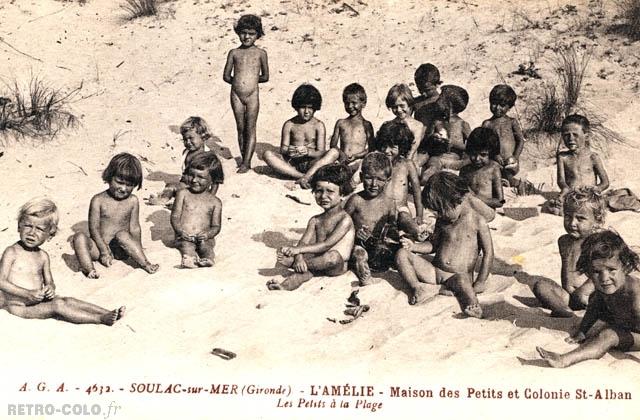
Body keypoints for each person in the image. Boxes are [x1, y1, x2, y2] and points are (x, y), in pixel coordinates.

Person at [0, 198, 125, 325]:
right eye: (27, 226)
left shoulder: (43, 256)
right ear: (19, 227)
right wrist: (27, 293)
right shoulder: (12, 252)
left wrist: (50, 289)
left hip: (37, 301)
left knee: (68, 301)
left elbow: (50, 282)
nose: (32, 233)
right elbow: (1, 281)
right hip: (18, 307)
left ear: (50, 234)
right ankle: (99, 319)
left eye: (39, 229)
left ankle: (106, 312)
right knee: (58, 305)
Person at [395, 172, 493, 318]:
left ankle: (472, 304)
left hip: (457, 276)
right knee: (401, 254)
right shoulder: (443, 220)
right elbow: (433, 245)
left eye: (442, 211)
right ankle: (417, 287)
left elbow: (488, 253)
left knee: (462, 280)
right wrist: (413, 247)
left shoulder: (477, 221)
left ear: (457, 200)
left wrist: (481, 281)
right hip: (434, 272)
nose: (440, 215)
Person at [537, 230, 640, 368]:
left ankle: (564, 359)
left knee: (608, 336)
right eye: (597, 272)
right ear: (588, 272)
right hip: (624, 324)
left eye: (611, 270)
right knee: (596, 301)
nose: (604, 278)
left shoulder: (634, 294)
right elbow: (594, 307)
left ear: (625, 267)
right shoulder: (604, 288)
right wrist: (582, 331)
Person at [267, 164, 355, 291]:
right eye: (319, 191)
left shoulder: (344, 219)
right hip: (317, 262)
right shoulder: (315, 220)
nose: (323, 196)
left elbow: (326, 245)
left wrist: (295, 256)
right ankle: (283, 286)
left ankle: (293, 264)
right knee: (302, 273)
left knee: (333, 256)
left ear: (343, 194)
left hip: (336, 266)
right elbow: (303, 243)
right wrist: (298, 258)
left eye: (330, 191)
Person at [72, 153, 159, 278]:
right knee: (79, 237)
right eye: (119, 182)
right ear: (109, 177)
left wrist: (137, 249)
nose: (123, 189)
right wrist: (103, 250)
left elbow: (135, 227)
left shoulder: (132, 201)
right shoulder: (98, 200)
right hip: (99, 247)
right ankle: (89, 269)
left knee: (122, 234)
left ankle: (145, 264)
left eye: (129, 185)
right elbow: (94, 229)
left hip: (121, 249)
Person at [533, 187, 605, 317]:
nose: (572, 223)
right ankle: (562, 309)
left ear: (597, 221)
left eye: (580, 218)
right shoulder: (564, 241)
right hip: (568, 296)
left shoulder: (597, 243)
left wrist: (584, 290)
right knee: (540, 285)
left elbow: (603, 273)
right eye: (567, 216)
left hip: (589, 295)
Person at [296, 83, 375, 189]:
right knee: (333, 152)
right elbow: (333, 144)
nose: (350, 106)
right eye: (347, 103)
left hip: (356, 162)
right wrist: (341, 154)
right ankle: (306, 177)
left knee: (365, 162)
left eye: (354, 103)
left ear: (363, 103)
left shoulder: (366, 125)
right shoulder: (341, 123)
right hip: (341, 162)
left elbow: (371, 148)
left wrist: (357, 156)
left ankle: (350, 185)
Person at [223, 14, 269, 173]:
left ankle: (247, 162)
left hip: (252, 96)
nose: (247, 36)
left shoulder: (260, 53)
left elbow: (266, 76)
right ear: (238, 33)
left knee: (250, 127)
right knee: (240, 127)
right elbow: (226, 76)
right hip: (235, 94)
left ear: (258, 35)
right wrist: (238, 83)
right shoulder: (234, 53)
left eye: (251, 33)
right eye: (243, 32)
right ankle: (244, 157)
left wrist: (251, 82)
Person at [344, 152, 398, 286]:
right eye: (369, 178)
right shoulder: (356, 200)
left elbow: (392, 229)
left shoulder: (390, 203)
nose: (374, 184)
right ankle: (366, 280)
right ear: (361, 177)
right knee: (360, 255)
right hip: (358, 244)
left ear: (388, 180)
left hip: (378, 247)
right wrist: (355, 233)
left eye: (380, 179)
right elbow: (341, 224)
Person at [147, 117, 217, 206]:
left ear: (203, 137)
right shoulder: (186, 152)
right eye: (185, 139)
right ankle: (164, 200)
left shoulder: (208, 156)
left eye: (191, 138)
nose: (188, 142)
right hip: (187, 185)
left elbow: (216, 181)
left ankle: (180, 204)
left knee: (185, 194)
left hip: (200, 188)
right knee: (170, 186)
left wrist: (210, 197)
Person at [262, 84, 326, 181]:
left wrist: (308, 152)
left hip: (311, 163)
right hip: (292, 163)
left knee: (333, 153)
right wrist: (290, 151)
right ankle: (302, 176)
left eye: (310, 108)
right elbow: (283, 149)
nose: (306, 111)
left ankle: (306, 175)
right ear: (296, 107)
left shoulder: (318, 125)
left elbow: (321, 152)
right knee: (267, 154)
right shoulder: (289, 124)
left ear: (315, 108)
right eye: (303, 107)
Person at [171, 152, 224, 268]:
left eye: (201, 177)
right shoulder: (183, 194)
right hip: (184, 237)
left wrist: (207, 234)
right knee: (186, 245)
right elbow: (175, 217)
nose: (194, 180)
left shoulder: (215, 202)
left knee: (206, 246)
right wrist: (180, 231)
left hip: (204, 237)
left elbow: (216, 226)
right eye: (191, 175)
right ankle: (190, 258)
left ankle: (208, 259)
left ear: (212, 180)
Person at [377, 121, 426, 239]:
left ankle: (418, 233)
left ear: (402, 146)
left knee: (405, 218)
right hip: (381, 207)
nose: (386, 151)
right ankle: (394, 234)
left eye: (392, 147)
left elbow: (417, 192)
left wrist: (419, 215)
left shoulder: (407, 165)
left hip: (401, 208)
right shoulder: (378, 164)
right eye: (384, 146)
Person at [481, 84, 525, 186]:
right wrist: (495, 155)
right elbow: (484, 143)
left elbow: (520, 140)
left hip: (510, 161)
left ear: (509, 107)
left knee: (508, 171)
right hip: (494, 160)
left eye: (502, 105)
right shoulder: (487, 124)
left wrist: (515, 157)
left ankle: (516, 183)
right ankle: (503, 182)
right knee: (492, 168)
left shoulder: (512, 122)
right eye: (494, 103)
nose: (497, 108)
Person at [557, 114, 609, 195]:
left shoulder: (592, 157)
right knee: (552, 207)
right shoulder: (563, 157)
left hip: (590, 196)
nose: (571, 138)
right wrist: (565, 189)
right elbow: (561, 180)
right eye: (566, 135)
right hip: (571, 195)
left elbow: (605, 182)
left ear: (586, 136)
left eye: (575, 135)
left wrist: (596, 189)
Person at [459, 127, 505, 209]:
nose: (477, 159)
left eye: (483, 155)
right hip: (468, 208)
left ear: (491, 153)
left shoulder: (493, 168)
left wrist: (475, 197)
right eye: (473, 154)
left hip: (486, 210)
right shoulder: (464, 170)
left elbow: (501, 202)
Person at [385, 84, 426, 165]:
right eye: (394, 107)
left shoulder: (417, 126)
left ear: (409, 104)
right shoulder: (390, 125)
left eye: (402, 106)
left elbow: (412, 151)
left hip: (410, 165)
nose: (399, 110)